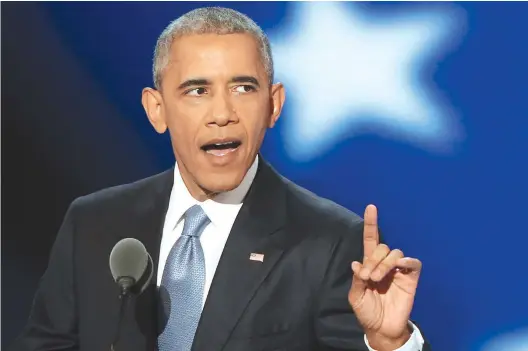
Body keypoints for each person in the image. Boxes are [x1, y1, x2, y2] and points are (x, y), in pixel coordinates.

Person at [10, 7, 429, 351]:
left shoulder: (330, 241)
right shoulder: (94, 223)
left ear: (273, 104)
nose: (222, 112)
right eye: (197, 90)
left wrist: (389, 342)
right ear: (156, 109)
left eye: (244, 88)